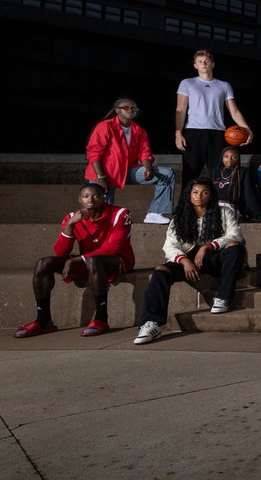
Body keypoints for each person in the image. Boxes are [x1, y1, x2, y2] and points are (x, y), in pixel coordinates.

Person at [14, 183, 134, 338]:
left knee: (93, 261)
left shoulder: (120, 213)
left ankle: (101, 319)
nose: (90, 199)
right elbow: (60, 252)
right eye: (85, 196)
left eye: (95, 196)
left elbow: (114, 248)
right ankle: (43, 320)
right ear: (80, 199)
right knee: (43, 264)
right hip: (88, 262)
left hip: (117, 261)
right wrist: (70, 225)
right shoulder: (72, 217)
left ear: (104, 197)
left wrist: (75, 260)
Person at [133, 178, 245, 344]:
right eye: (195, 192)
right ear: (189, 195)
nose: (199, 196)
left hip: (215, 258)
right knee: (160, 271)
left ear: (211, 195)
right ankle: (151, 323)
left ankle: (223, 297)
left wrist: (207, 247)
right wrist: (184, 261)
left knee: (235, 246)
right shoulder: (179, 218)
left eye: (204, 192)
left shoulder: (223, 212)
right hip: (188, 258)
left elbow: (235, 233)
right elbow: (170, 245)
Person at [85, 98, 176, 224]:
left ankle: (155, 213)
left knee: (166, 174)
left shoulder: (139, 130)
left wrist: (148, 168)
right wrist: (100, 176)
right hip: (104, 171)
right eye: (126, 107)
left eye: (133, 108)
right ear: (117, 110)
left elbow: (145, 153)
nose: (131, 110)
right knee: (102, 214)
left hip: (126, 170)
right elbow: (94, 153)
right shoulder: (105, 126)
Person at [175, 49, 254, 186]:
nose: (203, 63)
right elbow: (180, 110)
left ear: (212, 64)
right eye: (200, 61)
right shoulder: (187, 83)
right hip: (193, 132)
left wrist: (248, 129)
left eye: (206, 61)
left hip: (217, 133)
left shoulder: (224, 85)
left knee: (219, 177)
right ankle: (186, 207)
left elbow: (234, 111)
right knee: (189, 175)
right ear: (195, 65)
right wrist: (178, 133)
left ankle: (218, 207)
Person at [209, 146, 261, 223]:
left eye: (234, 157)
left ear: (238, 159)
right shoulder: (214, 172)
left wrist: (257, 215)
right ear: (222, 158)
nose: (229, 159)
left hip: (232, 207)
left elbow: (249, 194)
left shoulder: (243, 172)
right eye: (226, 157)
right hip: (215, 207)